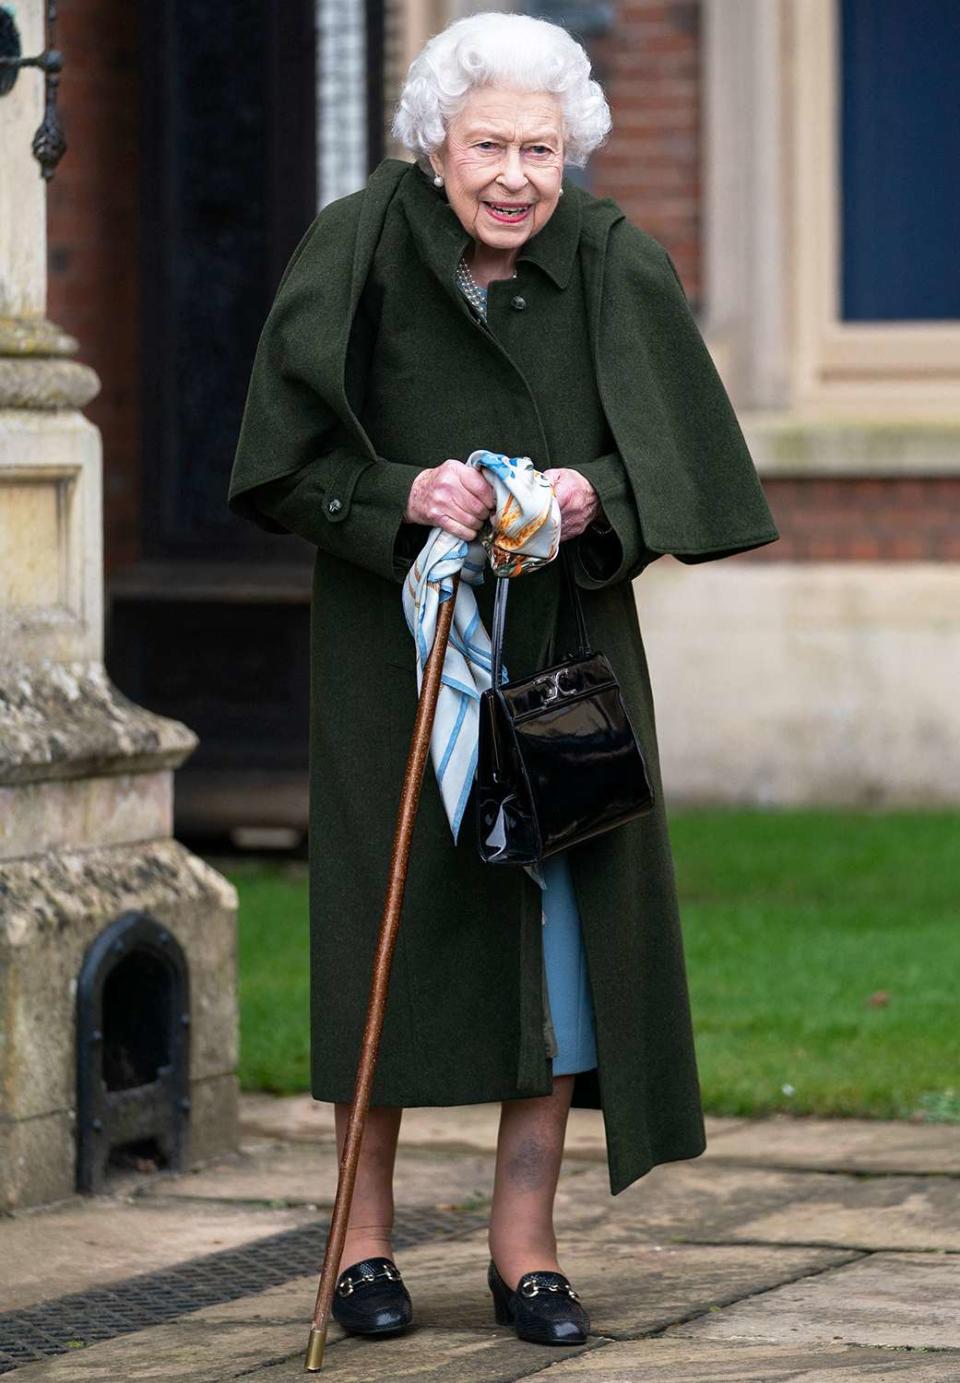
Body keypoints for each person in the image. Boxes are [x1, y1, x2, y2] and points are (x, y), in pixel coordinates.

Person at [228, 10, 779, 1348]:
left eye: (542, 147)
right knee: (392, 933)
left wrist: (599, 497)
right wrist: (399, 494)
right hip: (393, 662)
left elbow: (693, 471)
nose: (518, 175)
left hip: (565, 661)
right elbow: (278, 466)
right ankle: (360, 1250)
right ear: (435, 145)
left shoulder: (607, 258)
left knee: (562, 949)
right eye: (490, 145)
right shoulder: (356, 245)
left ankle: (523, 1254)